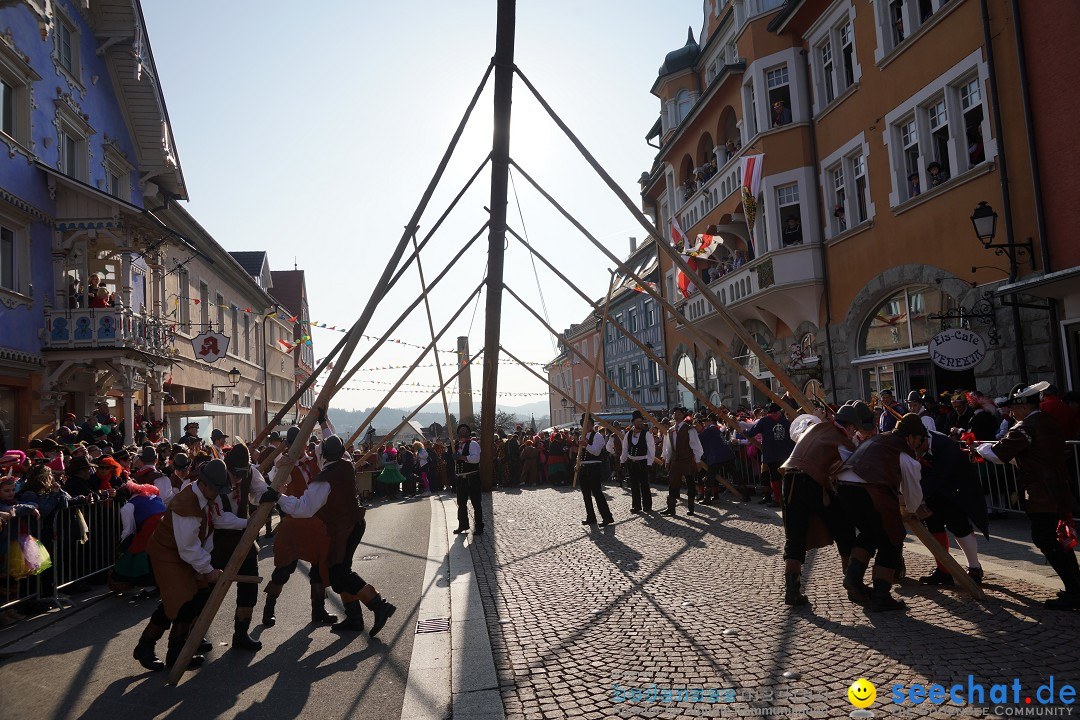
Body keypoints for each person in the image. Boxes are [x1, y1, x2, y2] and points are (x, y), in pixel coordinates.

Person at [136, 459, 275, 672]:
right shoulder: (187, 505)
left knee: (196, 598)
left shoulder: (205, 497)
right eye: (216, 490)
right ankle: (146, 646)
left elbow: (215, 523)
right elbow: (188, 547)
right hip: (168, 555)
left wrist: (247, 523)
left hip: (185, 553)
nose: (219, 494)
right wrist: (208, 570)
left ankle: (177, 652)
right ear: (204, 484)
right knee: (181, 600)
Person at [276, 435, 397, 634]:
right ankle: (355, 617)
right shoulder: (346, 463)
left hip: (344, 529)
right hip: (353, 524)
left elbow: (305, 508)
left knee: (339, 573)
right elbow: (333, 438)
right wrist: (323, 422)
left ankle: (379, 605)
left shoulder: (323, 480)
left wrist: (279, 498)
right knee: (339, 571)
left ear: (322, 455)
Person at [977, 382, 1080, 609]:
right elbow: (1034, 455)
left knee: (1046, 538)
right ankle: (1075, 586)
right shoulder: (1046, 421)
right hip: (1058, 487)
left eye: (1014, 408)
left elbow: (999, 453)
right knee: (1059, 540)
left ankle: (1075, 590)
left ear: (1024, 407)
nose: (1011, 413)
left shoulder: (1025, 426)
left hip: (1041, 492)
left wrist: (979, 448)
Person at [837, 414, 929, 612]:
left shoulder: (879, 439)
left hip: (844, 487)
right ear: (911, 437)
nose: (919, 444)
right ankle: (881, 595)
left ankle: (853, 578)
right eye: (920, 439)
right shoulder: (902, 450)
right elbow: (912, 489)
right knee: (892, 538)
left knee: (870, 534)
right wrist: (913, 511)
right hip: (868, 488)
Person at [778, 404, 866, 605]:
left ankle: (792, 591)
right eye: (855, 428)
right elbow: (851, 468)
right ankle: (852, 583)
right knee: (844, 531)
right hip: (812, 482)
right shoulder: (842, 441)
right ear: (851, 426)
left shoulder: (814, 427)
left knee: (795, 537)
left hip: (790, 478)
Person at [263, 426, 336, 628]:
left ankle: (318, 610)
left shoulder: (314, 460)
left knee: (319, 567)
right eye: (296, 442)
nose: (300, 446)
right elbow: (275, 483)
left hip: (316, 523)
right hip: (294, 523)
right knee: (283, 569)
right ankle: (269, 608)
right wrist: (279, 467)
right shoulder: (284, 464)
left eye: (302, 442)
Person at [917, 430, 988, 586]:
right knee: (933, 526)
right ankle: (943, 570)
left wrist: (915, 498)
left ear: (921, 438)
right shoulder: (917, 444)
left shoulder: (944, 445)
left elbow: (938, 476)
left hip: (956, 490)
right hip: (934, 491)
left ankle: (974, 567)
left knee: (959, 527)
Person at [737, 403, 795, 507]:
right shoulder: (785, 421)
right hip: (786, 454)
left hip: (772, 454)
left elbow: (751, 433)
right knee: (786, 477)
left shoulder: (764, 421)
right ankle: (787, 498)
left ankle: (777, 499)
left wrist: (743, 431)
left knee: (774, 477)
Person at [661, 406, 704, 516]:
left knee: (690, 482)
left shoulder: (690, 429)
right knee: (672, 483)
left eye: (679, 413)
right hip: (675, 460)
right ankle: (671, 508)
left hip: (687, 459)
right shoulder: (670, 430)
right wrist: (667, 459)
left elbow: (696, 446)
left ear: (683, 415)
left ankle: (691, 507)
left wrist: (698, 460)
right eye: (675, 413)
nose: (677, 415)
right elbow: (669, 447)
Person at [621, 411, 655, 514]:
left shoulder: (647, 434)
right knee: (634, 485)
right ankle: (636, 506)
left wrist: (649, 463)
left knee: (644, 485)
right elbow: (625, 448)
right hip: (632, 463)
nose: (640, 423)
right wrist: (622, 460)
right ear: (633, 423)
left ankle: (647, 506)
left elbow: (651, 450)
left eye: (641, 421)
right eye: (638, 421)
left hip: (643, 462)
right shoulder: (628, 434)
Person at [453, 424, 484, 535]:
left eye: (465, 430)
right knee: (461, 504)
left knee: (476, 503)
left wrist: (462, 457)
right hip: (461, 479)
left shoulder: (473, 444)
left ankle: (479, 526)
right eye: (461, 430)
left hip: (472, 478)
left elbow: (476, 459)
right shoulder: (457, 445)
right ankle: (463, 525)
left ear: (469, 432)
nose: (463, 432)